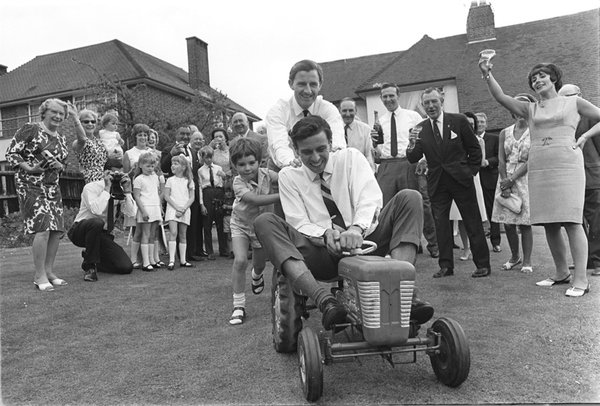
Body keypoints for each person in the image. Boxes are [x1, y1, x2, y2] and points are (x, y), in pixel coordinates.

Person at [254, 116, 433, 331]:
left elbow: (369, 198)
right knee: (264, 221)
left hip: (366, 242)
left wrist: (356, 228)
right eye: (306, 152)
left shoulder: (351, 158)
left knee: (410, 197)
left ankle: (402, 292)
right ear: (295, 149)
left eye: (321, 148)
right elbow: (298, 221)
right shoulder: (289, 176)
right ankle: (325, 301)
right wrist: (325, 235)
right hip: (320, 255)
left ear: (331, 143)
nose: (316, 157)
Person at [479, 60, 600, 297]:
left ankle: (582, 279)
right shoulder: (530, 108)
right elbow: (501, 97)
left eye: (541, 76)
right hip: (540, 166)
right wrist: (487, 74)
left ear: (553, 78)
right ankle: (561, 272)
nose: (537, 81)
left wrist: (584, 136)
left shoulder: (573, 102)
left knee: (572, 221)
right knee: (550, 222)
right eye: (533, 79)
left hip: (567, 164)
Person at [407, 88, 491, 278]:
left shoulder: (459, 120)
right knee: (441, 225)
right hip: (437, 183)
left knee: (472, 222)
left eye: (433, 102)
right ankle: (446, 266)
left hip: (461, 180)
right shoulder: (420, 129)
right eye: (426, 103)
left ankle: (483, 265)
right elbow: (413, 157)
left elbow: (474, 150)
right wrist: (411, 143)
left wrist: (470, 172)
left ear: (441, 101)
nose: (430, 106)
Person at [6, 98, 71, 291]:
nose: (58, 116)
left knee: (56, 229)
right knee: (42, 227)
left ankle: (49, 271)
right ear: (44, 112)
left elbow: (63, 163)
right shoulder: (31, 129)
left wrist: (60, 166)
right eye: (54, 112)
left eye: (61, 113)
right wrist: (29, 167)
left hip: (52, 185)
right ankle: (39, 275)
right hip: (30, 184)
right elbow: (11, 153)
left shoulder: (61, 138)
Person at [372, 83, 439, 258]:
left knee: (420, 203)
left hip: (409, 163)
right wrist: (375, 150)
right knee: (384, 206)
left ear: (398, 96)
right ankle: (387, 248)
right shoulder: (380, 121)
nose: (388, 99)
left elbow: (425, 140)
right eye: (384, 97)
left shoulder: (413, 116)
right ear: (381, 99)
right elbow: (378, 148)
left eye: (391, 95)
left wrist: (423, 160)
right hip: (387, 165)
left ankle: (433, 244)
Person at [228, 138, 279, 325]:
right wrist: (283, 195)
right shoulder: (237, 182)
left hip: (261, 227)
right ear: (234, 165)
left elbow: (287, 178)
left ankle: (256, 276)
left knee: (259, 265)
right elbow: (255, 201)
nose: (247, 168)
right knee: (240, 260)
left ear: (259, 161)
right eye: (241, 164)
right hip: (241, 224)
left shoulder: (267, 174)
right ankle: (238, 306)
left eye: (251, 163)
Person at [265, 59, 346, 171]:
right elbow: (279, 145)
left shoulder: (329, 109)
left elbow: (337, 144)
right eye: (302, 84)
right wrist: (292, 163)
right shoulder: (278, 111)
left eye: (313, 84)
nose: (307, 91)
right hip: (287, 170)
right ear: (291, 84)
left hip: (323, 167)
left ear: (320, 85)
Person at [67, 158, 136, 281]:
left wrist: (127, 191)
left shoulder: (119, 190)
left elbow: (132, 213)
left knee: (125, 267)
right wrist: (107, 188)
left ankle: (92, 258)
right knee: (96, 222)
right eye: (114, 174)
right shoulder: (91, 188)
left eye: (120, 175)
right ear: (105, 173)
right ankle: (90, 268)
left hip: (102, 234)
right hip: (80, 231)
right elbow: (97, 211)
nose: (117, 178)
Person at [558, 84, 600, 277]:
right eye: (562, 98)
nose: (566, 102)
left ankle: (598, 261)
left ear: (580, 96)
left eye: (570, 97)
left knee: (596, 221)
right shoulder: (561, 120)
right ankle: (585, 260)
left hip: (592, 178)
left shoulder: (592, 117)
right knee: (576, 222)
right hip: (570, 179)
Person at [492, 94, 535, 273]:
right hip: (505, 178)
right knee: (508, 222)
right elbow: (502, 159)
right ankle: (514, 257)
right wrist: (505, 181)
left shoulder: (535, 130)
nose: (518, 111)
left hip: (524, 179)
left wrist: (512, 179)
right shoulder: (504, 132)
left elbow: (532, 159)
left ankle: (527, 261)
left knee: (525, 222)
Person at [449, 112, 488, 262]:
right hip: (457, 180)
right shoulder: (454, 139)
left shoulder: (479, 140)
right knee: (460, 217)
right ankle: (466, 248)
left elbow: (481, 160)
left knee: (474, 217)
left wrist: (469, 170)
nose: (470, 127)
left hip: (472, 178)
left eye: (473, 124)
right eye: (468, 124)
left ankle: (479, 248)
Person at [122, 124, 151, 268]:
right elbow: (125, 176)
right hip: (136, 194)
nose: (143, 137)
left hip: (150, 195)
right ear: (135, 137)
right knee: (137, 228)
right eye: (140, 135)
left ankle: (149, 258)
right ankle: (134, 258)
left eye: (145, 135)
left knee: (151, 228)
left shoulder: (152, 152)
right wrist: (133, 172)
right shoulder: (129, 153)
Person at [475, 112, 502, 253]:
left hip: (489, 179)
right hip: (473, 179)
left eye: (482, 122)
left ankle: (496, 241)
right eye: (477, 122)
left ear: (486, 124)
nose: (479, 124)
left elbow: (499, 158)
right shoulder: (469, 139)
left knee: (492, 211)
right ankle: (479, 243)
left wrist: (488, 162)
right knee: (475, 212)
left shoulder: (494, 138)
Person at [132, 152, 163, 271]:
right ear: (140, 165)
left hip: (155, 207)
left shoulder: (155, 177)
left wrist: (159, 207)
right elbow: (137, 196)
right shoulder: (138, 179)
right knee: (145, 234)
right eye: (147, 166)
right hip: (145, 208)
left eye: (152, 166)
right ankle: (145, 262)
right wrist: (143, 211)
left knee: (153, 234)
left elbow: (156, 193)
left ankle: (151, 260)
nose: (150, 168)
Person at [164, 155, 195, 270]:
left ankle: (183, 260)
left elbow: (192, 197)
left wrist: (183, 209)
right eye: (172, 163)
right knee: (173, 232)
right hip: (173, 208)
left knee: (183, 234)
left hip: (185, 209)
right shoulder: (170, 180)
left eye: (176, 163)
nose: (173, 165)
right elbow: (166, 196)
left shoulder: (189, 181)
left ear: (183, 167)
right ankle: (172, 260)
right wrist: (177, 208)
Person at [199, 145, 228, 259]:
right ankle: (210, 251)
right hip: (207, 193)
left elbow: (224, 183)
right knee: (207, 224)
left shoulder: (218, 168)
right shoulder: (200, 171)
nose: (209, 160)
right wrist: (202, 204)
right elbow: (200, 188)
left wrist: (224, 177)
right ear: (202, 158)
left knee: (220, 222)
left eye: (210, 157)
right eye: (206, 157)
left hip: (218, 192)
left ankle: (223, 249)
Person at [187, 131, 208, 261]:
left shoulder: (204, 153)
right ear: (191, 140)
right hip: (192, 190)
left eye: (200, 139)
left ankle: (200, 249)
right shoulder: (189, 153)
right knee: (193, 222)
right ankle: (192, 250)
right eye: (196, 139)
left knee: (201, 222)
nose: (198, 142)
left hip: (204, 191)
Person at [339, 97, 375, 172]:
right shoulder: (334, 130)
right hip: (340, 172)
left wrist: (370, 173)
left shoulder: (365, 129)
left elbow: (369, 155)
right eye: (344, 111)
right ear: (340, 111)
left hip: (360, 171)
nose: (348, 114)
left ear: (356, 111)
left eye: (351, 110)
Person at [72, 109, 108, 183]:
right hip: (90, 181)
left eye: (93, 121)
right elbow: (82, 139)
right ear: (80, 123)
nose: (90, 124)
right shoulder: (78, 143)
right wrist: (75, 118)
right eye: (86, 122)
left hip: (104, 181)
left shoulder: (100, 142)